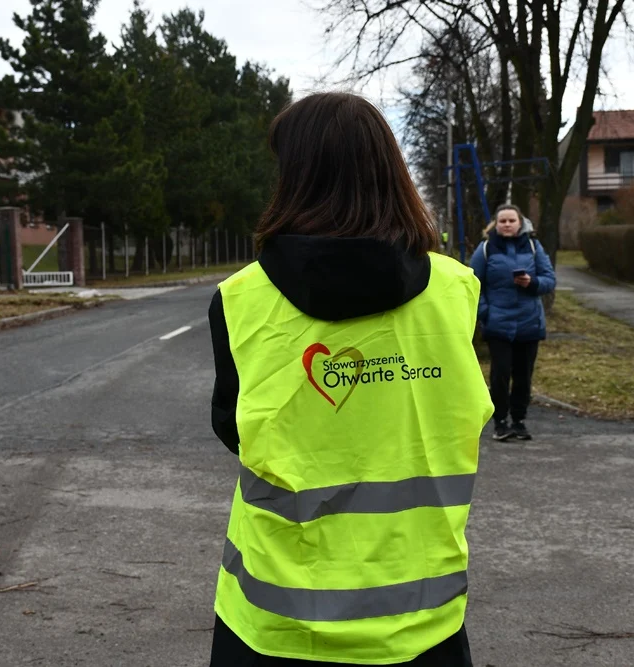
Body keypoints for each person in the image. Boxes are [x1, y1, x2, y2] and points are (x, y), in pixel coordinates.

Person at [208, 92, 493, 666]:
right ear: (391, 170)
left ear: (295, 176)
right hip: (422, 623)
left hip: (275, 623)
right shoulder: (456, 291)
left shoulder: (240, 301)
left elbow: (232, 427)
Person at [469, 204, 556, 441]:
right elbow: (472, 284)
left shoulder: (533, 246)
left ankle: (519, 421)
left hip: (529, 323)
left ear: (521, 223)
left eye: (511, 220)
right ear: (495, 225)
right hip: (498, 324)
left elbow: (549, 279)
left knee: (523, 375)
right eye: (502, 221)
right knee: (500, 374)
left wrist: (533, 283)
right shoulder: (486, 249)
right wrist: (485, 313)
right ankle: (500, 422)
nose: (507, 224)